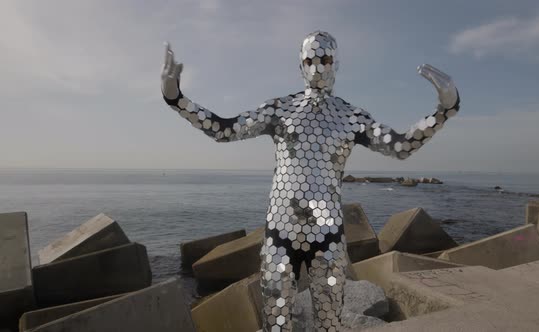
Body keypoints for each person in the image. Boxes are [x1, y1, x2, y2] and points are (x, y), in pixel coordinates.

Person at [161, 30, 460, 332]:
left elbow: (400, 145)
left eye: (326, 59)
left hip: (327, 240)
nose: (318, 68)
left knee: (329, 324)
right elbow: (224, 129)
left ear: (337, 64)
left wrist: (444, 110)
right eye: (310, 60)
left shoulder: (352, 117)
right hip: (280, 236)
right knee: (277, 324)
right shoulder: (280, 110)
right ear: (300, 65)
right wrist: (176, 99)